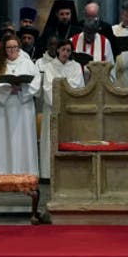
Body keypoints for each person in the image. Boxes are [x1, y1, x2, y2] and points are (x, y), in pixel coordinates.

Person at [0, 36, 40, 176]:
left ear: (19, 47)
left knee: (23, 140)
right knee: (2, 140)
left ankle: (25, 173)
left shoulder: (27, 63)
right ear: (4, 48)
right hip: (2, 107)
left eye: (15, 47)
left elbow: (36, 84)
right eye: (9, 47)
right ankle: (1, 172)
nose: (12, 50)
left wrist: (21, 89)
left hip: (23, 107)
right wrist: (9, 89)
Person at [38, 40, 84, 181]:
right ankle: (48, 173)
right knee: (50, 139)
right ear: (57, 50)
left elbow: (78, 85)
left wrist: (65, 93)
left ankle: (70, 172)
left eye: (68, 51)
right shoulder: (49, 67)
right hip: (53, 109)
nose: (65, 53)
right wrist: (60, 99)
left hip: (69, 109)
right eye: (63, 49)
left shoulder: (75, 66)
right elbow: (48, 88)